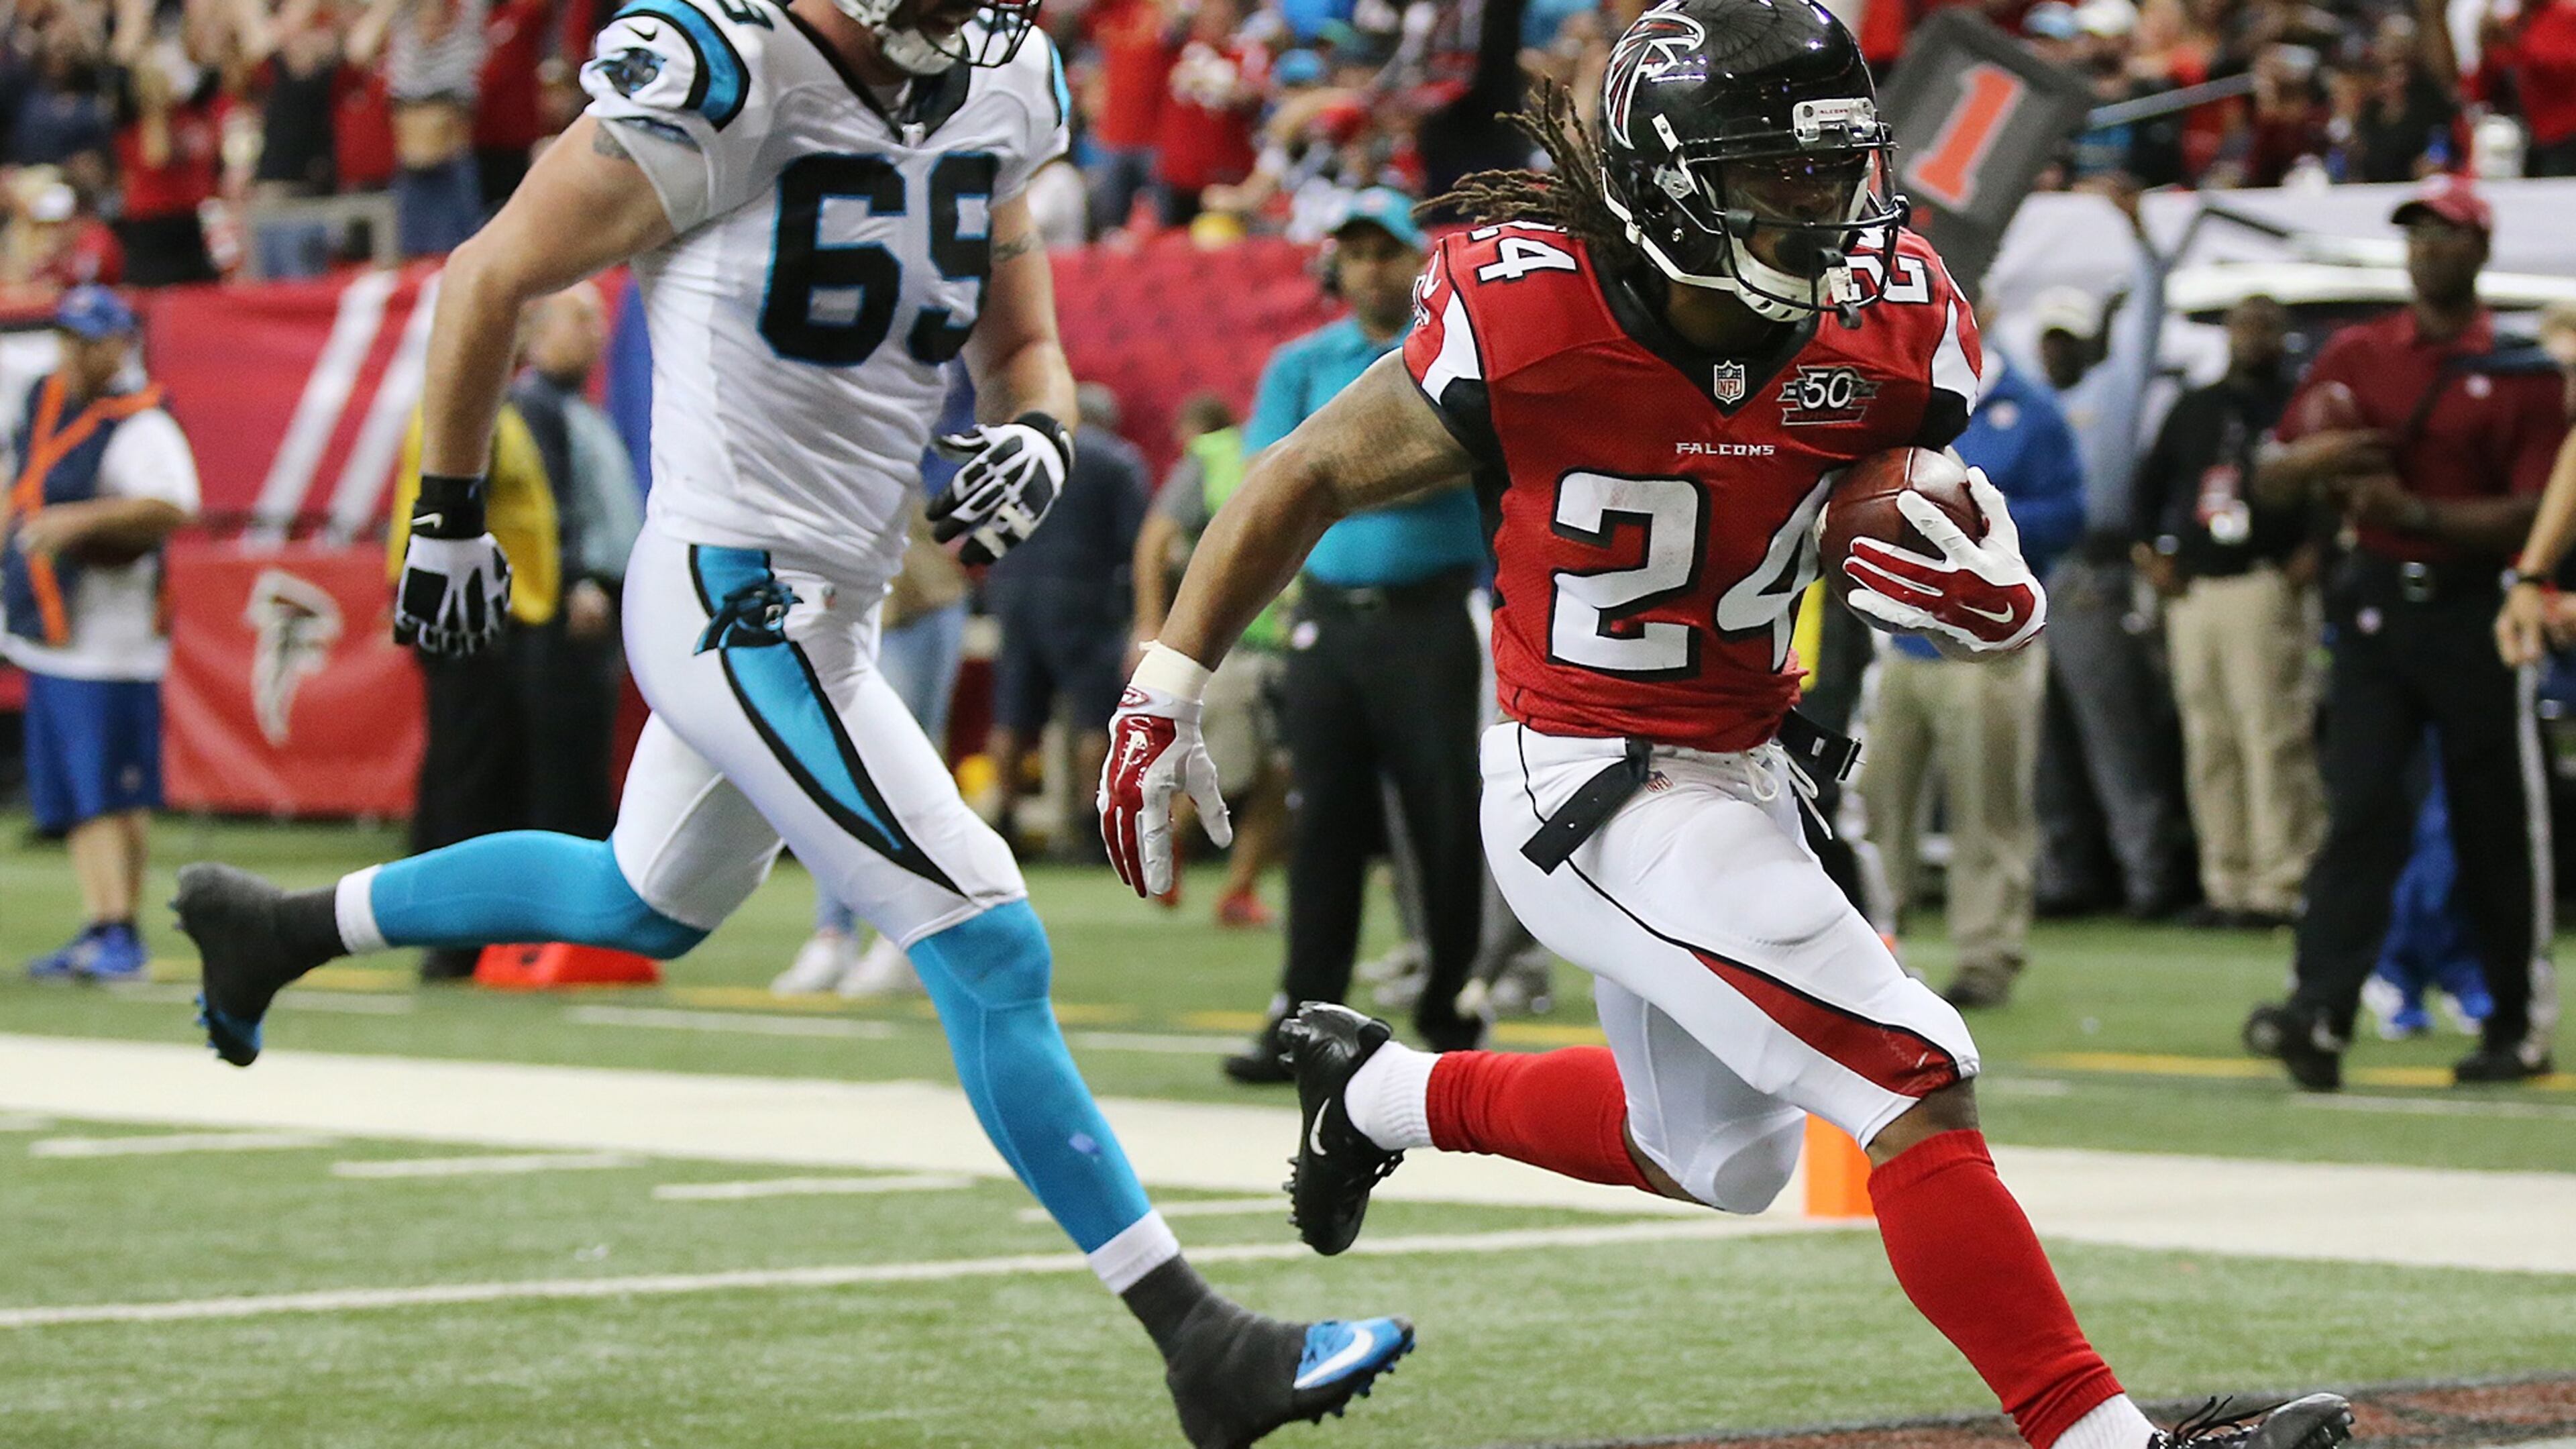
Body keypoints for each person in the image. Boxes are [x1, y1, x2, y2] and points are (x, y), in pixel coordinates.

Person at [1101, 6, 2350, 1449]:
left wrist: (1964, 568)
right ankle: (2102, 1438)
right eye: (1778, 172)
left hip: (1746, 764)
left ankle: (1380, 1091)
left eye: (1835, 171)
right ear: (1665, 180)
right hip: (1585, 778)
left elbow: (1877, 493)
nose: (1821, 208)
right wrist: (1167, 683)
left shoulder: (1889, 316)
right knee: (1908, 1070)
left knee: (1712, 1155)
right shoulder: (1530, 312)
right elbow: (1306, 471)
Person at [169, 0, 1411, 1439]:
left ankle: (276, 931)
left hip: (843, 595)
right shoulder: (726, 64)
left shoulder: (1003, 75)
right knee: (991, 939)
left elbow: (1027, 350)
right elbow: (488, 275)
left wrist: (1046, 434)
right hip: (729, 585)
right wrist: (445, 514)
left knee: (641, 901)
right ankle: (1202, 1344)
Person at [2244, 174, 2563, 1091]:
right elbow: (2273, 472)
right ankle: (2322, 1008)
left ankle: (2514, 1018)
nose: (2429, 251)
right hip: (2376, 600)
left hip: (2474, 606)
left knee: (2494, 819)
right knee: (2362, 812)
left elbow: (2539, 511)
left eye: (2448, 236)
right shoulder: (2355, 353)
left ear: (2481, 251)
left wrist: (2411, 507)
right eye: (2417, 235)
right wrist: (2314, 461)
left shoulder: (2519, 373)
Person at [1218, 186, 1491, 1084]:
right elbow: (1268, 473)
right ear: (1338, 263)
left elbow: (1452, 463)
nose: (1371, 266)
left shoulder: (1451, 355)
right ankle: (1303, 1018)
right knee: (1321, 821)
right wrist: (1380, 471)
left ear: (1416, 261)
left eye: (1386, 250)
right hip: (1330, 623)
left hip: (1428, 616)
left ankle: (1451, 1001)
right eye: (1357, 251)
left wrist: (1332, 474)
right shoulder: (1303, 361)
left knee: (1444, 816)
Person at [1862, 351, 2085, 1010]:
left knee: (1988, 806)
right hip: (1902, 640)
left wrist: (1975, 521)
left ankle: (1987, 957)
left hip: (1989, 646)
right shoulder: (1906, 401)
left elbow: (2072, 512)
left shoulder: (2032, 411)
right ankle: (1872, 947)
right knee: (1876, 805)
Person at [2, 286, 199, 982]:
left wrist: (77, 523)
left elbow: (175, 503)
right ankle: (101, 923)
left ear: (119, 344)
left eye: (88, 341)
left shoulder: (140, 421)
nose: (75, 355)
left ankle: (118, 929)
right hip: (52, 627)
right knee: (79, 794)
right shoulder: (47, 401)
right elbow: (23, 478)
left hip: (112, 634)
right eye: (68, 340)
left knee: (107, 793)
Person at [2130, 294, 2321, 931]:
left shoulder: (2300, 406)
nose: (2252, 337)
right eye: (2243, 325)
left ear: (2284, 336)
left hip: (2263, 582)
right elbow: (2149, 486)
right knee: (2209, 736)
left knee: (2271, 733)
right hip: (2196, 589)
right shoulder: (2197, 406)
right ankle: (2227, 881)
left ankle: (2283, 881)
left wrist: (2318, 548)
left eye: (2266, 325)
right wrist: (2149, 553)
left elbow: (2332, 488)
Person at [385, 380, 561, 981]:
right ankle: (452, 934)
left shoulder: (482, 406)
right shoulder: (464, 406)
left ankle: (468, 928)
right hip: (468, 605)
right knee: (469, 777)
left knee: (475, 773)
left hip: (483, 604)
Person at [1132, 392, 1287, 927]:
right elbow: (1155, 539)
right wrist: (1151, 624)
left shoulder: (1310, 444)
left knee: (1285, 774)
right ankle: (1163, 840)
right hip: (1234, 642)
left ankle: (1239, 889)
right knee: (1228, 767)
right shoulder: (1215, 456)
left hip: (1295, 637)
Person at [986, 379, 1150, 860]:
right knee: (1093, 714)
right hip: (1084, 597)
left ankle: (1004, 817)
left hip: (1014, 593)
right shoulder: (1118, 461)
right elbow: (1135, 542)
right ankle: (1088, 823)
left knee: (1013, 712)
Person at [509, 281, 645, 840]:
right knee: (562, 760)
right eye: (581, 320)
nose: (599, 332)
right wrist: (576, 578)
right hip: (570, 608)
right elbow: (544, 505)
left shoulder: (583, 407)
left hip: (603, 602)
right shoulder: (534, 406)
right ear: (539, 334)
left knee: (589, 753)